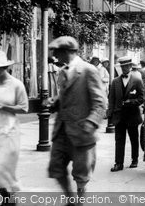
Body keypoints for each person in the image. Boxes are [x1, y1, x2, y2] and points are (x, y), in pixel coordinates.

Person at [46, 36, 105, 200]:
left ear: (67, 52)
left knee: (81, 173)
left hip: (81, 130)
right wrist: (55, 102)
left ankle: (79, 199)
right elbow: (65, 97)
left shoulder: (88, 70)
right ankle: (70, 198)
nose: (55, 56)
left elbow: (100, 102)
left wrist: (92, 122)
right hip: (62, 130)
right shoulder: (63, 71)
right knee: (56, 168)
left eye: (57, 52)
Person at [0, 50, 29, 201]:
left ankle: (9, 198)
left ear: (4, 67)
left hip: (8, 132)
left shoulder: (16, 85)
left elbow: (25, 108)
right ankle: (5, 198)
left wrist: (5, 107)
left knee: (1, 166)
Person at [107, 56, 144, 172]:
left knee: (134, 138)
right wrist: (110, 114)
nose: (124, 68)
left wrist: (132, 102)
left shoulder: (137, 80)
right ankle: (118, 163)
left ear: (130, 67)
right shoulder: (115, 81)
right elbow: (111, 99)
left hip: (132, 114)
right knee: (119, 139)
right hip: (119, 115)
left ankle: (134, 159)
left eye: (126, 66)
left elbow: (142, 97)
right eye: (122, 66)